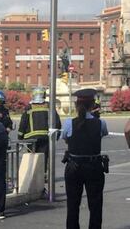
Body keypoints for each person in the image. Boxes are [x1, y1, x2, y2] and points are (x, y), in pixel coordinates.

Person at [61, 88, 109, 229]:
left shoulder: (69, 122)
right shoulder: (101, 123)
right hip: (94, 166)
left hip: (74, 166)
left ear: (76, 105)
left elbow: (66, 139)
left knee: (73, 205)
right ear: (93, 105)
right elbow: (101, 135)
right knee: (95, 205)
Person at [18, 87, 61, 173]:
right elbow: (57, 121)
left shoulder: (29, 107)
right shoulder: (49, 106)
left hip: (31, 138)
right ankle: (42, 175)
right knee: (43, 157)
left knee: (32, 157)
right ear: (44, 95)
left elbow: (23, 123)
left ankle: (32, 175)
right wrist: (57, 134)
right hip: (45, 137)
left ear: (33, 95)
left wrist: (20, 136)